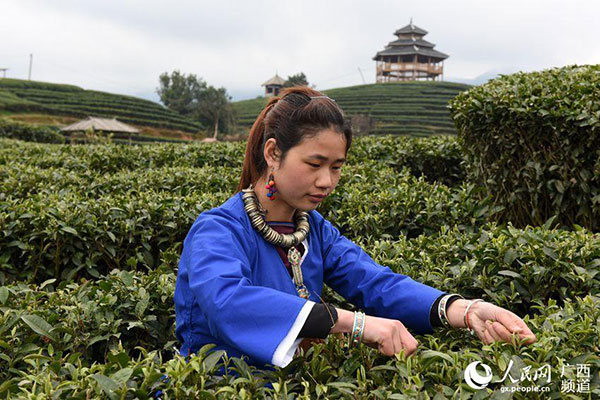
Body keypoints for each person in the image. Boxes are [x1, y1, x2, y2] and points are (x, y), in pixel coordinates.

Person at [174, 86, 537, 370]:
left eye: (336, 167)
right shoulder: (219, 230)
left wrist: (465, 310)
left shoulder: (313, 229)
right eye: (314, 163)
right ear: (272, 153)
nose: (326, 181)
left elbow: (375, 282)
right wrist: (356, 324)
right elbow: (228, 301)